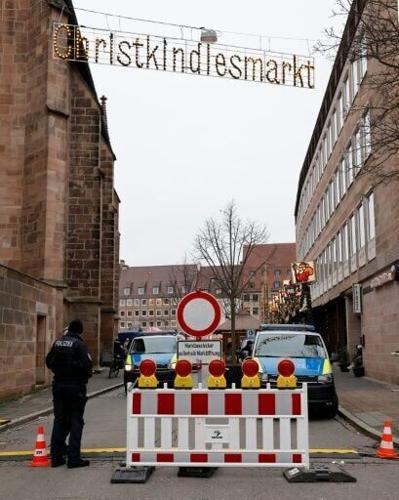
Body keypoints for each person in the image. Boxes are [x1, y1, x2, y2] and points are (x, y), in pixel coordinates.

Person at [46, 319, 93, 468]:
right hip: (75, 387)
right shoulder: (80, 345)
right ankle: (73, 459)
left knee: (59, 420)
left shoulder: (58, 342)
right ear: (80, 331)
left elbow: (48, 361)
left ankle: (56, 457)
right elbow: (87, 366)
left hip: (58, 386)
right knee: (76, 421)